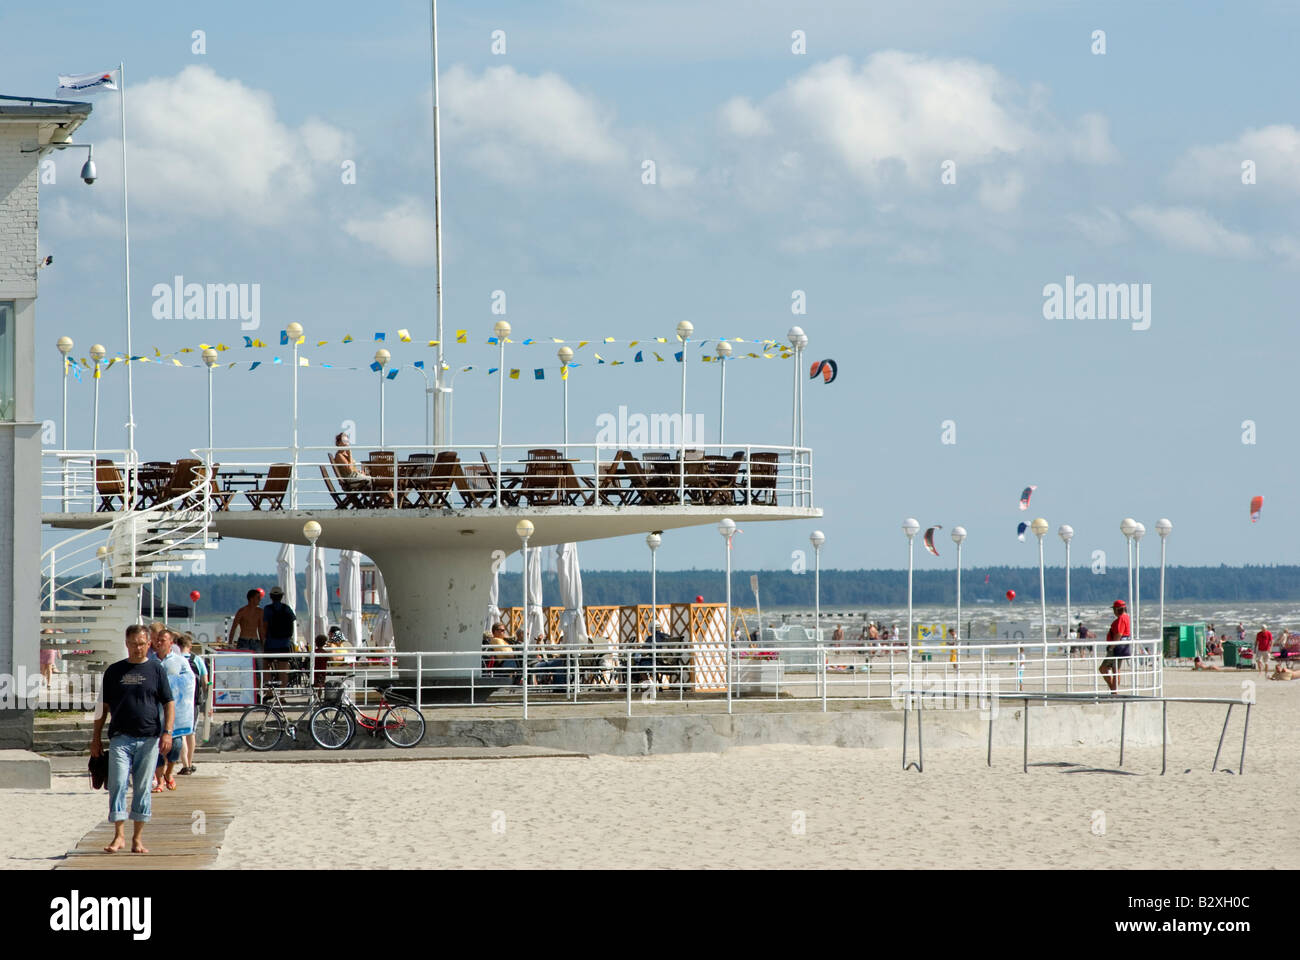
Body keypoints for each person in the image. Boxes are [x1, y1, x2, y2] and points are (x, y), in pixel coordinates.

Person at [91, 624, 175, 854]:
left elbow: (168, 702)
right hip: (120, 737)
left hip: (149, 738)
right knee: (117, 784)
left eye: (141, 643)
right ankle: (119, 836)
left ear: (149, 644)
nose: (137, 648)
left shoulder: (156, 669)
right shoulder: (114, 671)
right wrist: (95, 737)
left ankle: (137, 838)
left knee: (143, 787)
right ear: (126, 644)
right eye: (133, 643)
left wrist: (167, 731)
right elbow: (102, 706)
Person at [152, 628, 194, 791]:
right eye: (157, 640)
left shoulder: (180, 661)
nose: (159, 642)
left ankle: (169, 773)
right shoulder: (151, 662)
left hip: (174, 711)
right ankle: (160, 780)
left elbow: (190, 681)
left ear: (171, 643)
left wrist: (171, 685)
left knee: (175, 745)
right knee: (155, 746)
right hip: (154, 712)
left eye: (163, 640)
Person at [175, 635, 206, 774]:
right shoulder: (196, 659)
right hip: (193, 701)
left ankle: (185, 764)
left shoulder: (175, 659)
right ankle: (190, 761)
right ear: (190, 646)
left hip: (177, 700)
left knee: (180, 733)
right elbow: (205, 681)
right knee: (191, 732)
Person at [262, 586, 298, 690]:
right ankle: (282, 694)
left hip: (270, 643)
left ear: (270, 596)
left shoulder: (268, 609)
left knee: (266, 667)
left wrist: (264, 640)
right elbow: (293, 620)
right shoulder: (287, 608)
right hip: (284, 643)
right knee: (283, 670)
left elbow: (265, 626)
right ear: (282, 596)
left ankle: (269, 691)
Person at [1099, 599, 1131, 693]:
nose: (1113, 612)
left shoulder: (1121, 618)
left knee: (1104, 668)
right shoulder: (1126, 617)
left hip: (1116, 648)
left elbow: (1119, 634)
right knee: (1115, 670)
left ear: (1118, 609)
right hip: (1122, 646)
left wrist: (1111, 647)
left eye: (1114, 609)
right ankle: (1114, 691)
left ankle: (1114, 691)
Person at [228, 589, 265, 653]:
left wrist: (263, 644)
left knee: (259, 662)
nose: (260, 599)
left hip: (255, 641)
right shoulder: (242, 611)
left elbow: (261, 629)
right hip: (243, 641)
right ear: (251, 599)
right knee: (245, 662)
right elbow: (233, 628)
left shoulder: (260, 612)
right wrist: (230, 643)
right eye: (258, 598)